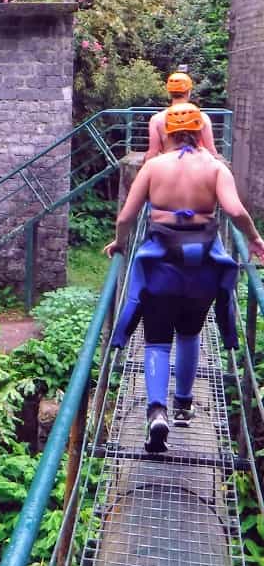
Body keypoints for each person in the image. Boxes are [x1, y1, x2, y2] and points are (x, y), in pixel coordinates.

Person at [104, 101, 264, 453]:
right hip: (202, 271)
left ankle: (156, 411)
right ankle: (183, 405)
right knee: (190, 334)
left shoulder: (154, 167)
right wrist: (254, 238)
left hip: (161, 269)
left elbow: (126, 217)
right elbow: (235, 210)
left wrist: (119, 243)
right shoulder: (215, 168)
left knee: (157, 342)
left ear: (168, 133)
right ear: (199, 131)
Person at [145, 70, 219, 160]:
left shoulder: (156, 119)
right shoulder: (202, 117)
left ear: (169, 92)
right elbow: (211, 151)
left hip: (169, 164)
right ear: (189, 91)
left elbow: (153, 152)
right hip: (196, 164)